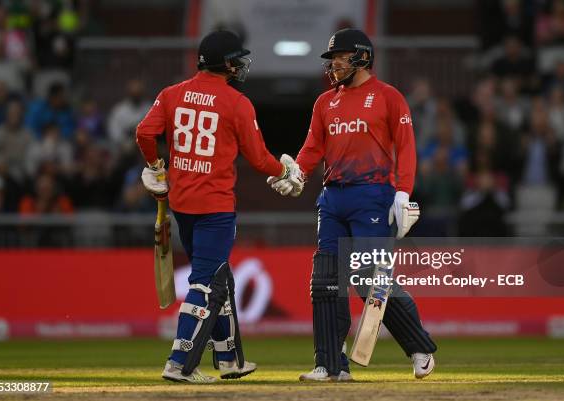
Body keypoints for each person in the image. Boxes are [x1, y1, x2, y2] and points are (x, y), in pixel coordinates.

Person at [269, 28, 437, 381]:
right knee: (326, 280)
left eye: (340, 58)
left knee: (368, 279)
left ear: (361, 57)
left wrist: (403, 193)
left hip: (373, 195)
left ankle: (419, 347)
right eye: (332, 59)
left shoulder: (389, 97)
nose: (334, 65)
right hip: (332, 198)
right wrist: (297, 173)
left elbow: (406, 147)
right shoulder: (324, 102)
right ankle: (330, 365)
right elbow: (313, 146)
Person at [136, 30, 302, 383]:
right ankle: (180, 362)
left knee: (219, 278)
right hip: (215, 207)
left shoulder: (171, 94)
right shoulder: (236, 102)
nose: (241, 64)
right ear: (225, 63)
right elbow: (259, 159)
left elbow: (144, 134)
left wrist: (155, 167)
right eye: (236, 59)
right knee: (205, 284)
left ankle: (229, 359)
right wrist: (285, 170)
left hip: (182, 203)